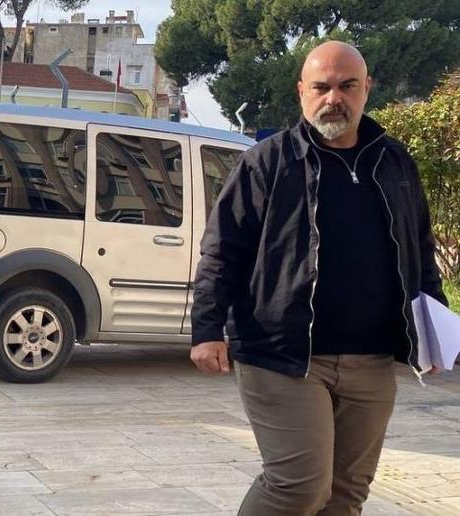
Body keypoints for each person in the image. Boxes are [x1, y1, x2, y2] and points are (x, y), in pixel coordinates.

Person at [191, 40, 447, 515]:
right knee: (298, 486)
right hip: (282, 355)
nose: (334, 98)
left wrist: (435, 332)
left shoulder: (394, 161)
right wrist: (207, 329)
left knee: (346, 494)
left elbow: (420, 251)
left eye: (347, 86)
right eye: (321, 87)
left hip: (371, 360)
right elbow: (221, 251)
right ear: (301, 92)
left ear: (367, 88)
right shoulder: (266, 163)